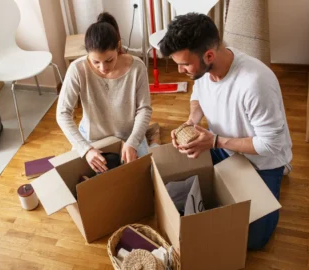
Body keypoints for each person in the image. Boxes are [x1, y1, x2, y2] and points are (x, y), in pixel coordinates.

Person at [159, 13, 293, 249]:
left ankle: (280, 175)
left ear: (209, 55)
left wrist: (215, 142)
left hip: (260, 161)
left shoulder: (255, 82)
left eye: (184, 64)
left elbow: (271, 145)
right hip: (221, 146)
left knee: (252, 239)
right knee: (168, 172)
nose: (180, 70)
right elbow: (197, 97)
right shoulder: (201, 70)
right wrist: (191, 122)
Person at [57, 12, 156, 173]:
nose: (103, 68)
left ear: (118, 47)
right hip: (92, 137)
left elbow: (144, 109)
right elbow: (62, 113)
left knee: (146, 177)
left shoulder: (137, 67)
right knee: (79, 181)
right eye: (96, 62)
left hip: (128, 135)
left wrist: (132, 142)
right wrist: (86, 149)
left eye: (109, 60)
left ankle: (150, 141)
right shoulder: (77, 69)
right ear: (87, 53)